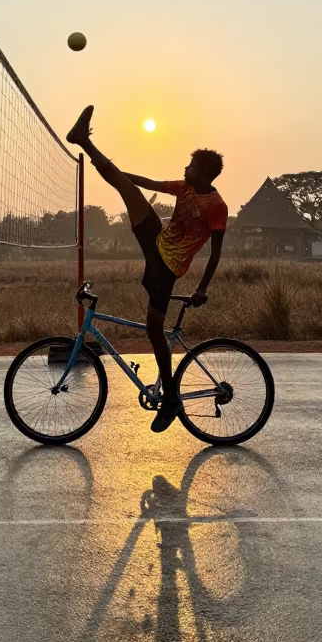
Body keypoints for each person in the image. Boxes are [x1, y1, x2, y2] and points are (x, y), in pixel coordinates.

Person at [67, 104, 227, 433]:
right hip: (156, 244)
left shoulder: (217, 206)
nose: (186, 167)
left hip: (167, 267)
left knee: (154, 330)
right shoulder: (183, 188)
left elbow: (215, 254)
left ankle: (170, 399)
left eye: (191, 166)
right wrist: (119, 173)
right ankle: (83, 141)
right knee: (126, 186)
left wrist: (203, 288)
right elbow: (149, 182)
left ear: (204, 174)